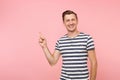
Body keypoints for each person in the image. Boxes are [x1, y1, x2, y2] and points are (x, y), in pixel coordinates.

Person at [39, 10, 97, 80]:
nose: (71, 23)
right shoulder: (60, 41)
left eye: (73, 20)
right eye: (68, 20)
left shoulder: (87, 39)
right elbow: (52, 62)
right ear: (64, 23)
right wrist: (44, 47)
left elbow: (94, 62)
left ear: (77, 21)